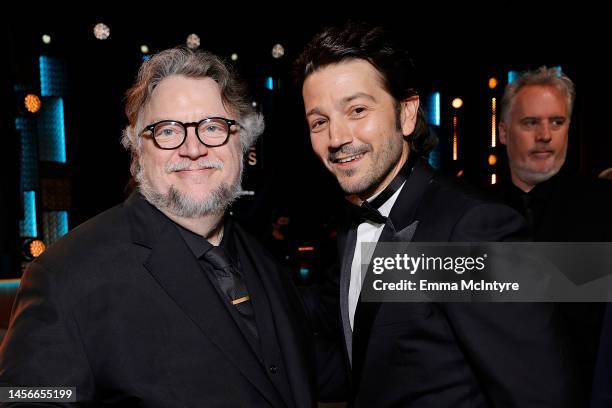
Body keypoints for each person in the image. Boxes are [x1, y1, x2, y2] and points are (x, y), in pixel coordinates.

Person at [0, 47, 315, 407]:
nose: (194, 148)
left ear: (241, 143)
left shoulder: (267, 260)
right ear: (137, 153)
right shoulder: (64, 275)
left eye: (213, 126)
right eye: (167, 131)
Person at [294, 22, 576, 407]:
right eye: (319, 122)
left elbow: (538, 395)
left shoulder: (473, 229)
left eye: (357, 110)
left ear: (407, 114)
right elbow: (362, 358)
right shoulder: (354, 226)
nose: (337, 137)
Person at [497, 66, 612, 406]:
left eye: (557, 122)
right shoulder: (467, 211)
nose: (545, 134)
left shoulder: (605, 207)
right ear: (503, 132)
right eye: (530, 122)